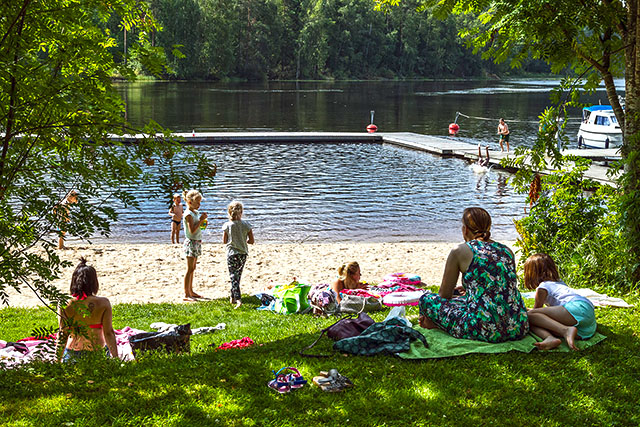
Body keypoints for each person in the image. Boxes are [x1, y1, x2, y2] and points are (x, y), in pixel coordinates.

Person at [418, 207, 529, 343]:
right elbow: (502, 287)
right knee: (463, 300)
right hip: (518, 325)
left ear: (465, 229)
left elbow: (444, 295)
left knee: (426, 299)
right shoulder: (506, 250)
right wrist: (469, 290)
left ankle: (433, 323)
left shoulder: (460, 251)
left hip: (483, 328)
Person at [523, 253, 596, 351]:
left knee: (528, 316)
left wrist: (526, 310)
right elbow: (540, 315)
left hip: (575, 307)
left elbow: (535, 312)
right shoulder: (559, 282)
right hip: (587, 311)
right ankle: (550, 338)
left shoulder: (543, 287)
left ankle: (566, 330)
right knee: (536, 322)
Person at [56, 257, 118, 362]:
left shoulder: (64, 303)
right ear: (94, 282)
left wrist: (56, 360)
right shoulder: (103, 303)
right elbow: (109, 333)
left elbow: (63, 334)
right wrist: (116, 358)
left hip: (72, 354)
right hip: (98, 353)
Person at [222, 200, 254, 309]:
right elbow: (251, 241)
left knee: (233, 276)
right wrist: (243, 241)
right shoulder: (246, 225)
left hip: (231, 253)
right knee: (237, 276)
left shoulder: (227, 225)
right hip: (243, 253)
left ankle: (238, 299)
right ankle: (232, 297)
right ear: (242, 212)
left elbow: (224, 241)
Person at [183, 189, 208, 301]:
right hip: (191, 242)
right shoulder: (188, 214)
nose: (199, 205)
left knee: (193, 268)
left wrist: (203, 222)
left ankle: (191, 291)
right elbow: (192, 230)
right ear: (189, 202)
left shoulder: (195, 213)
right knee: (189, 269)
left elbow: (199, 228)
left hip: (197, 241)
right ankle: (186, 294)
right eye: (197, 202)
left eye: (200, 202)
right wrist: (200, 220)